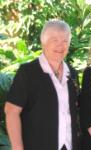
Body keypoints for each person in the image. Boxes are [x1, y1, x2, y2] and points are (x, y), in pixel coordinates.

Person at [4, 19, 80, 150]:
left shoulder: (71, 73)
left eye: (65, 41)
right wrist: (17, 148)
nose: (60, 46)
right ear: (43, 42)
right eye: (54, 40)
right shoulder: (28, 72)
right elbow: (11, 111)